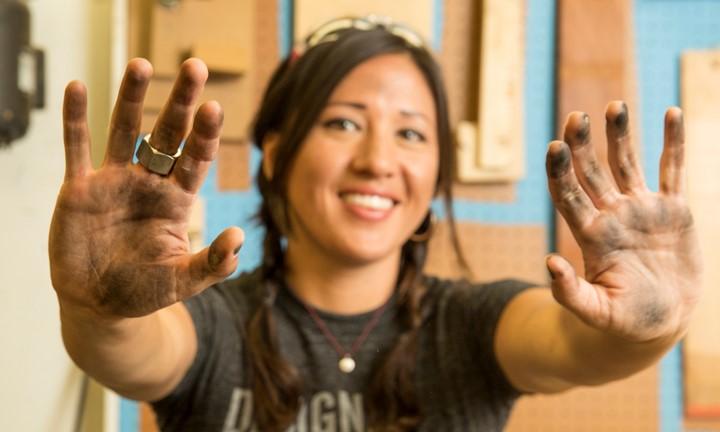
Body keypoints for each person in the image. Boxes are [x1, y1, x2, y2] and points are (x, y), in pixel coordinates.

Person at [49, 16, 701, 432]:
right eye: (343, 122)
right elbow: (130, 348)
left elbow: (584, 347)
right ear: (275, 149)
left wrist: (650, 327)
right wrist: (97, 309)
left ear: (437, 170)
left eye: (412, 134)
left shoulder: (474, 328)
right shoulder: (214, 327)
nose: (378, 161)